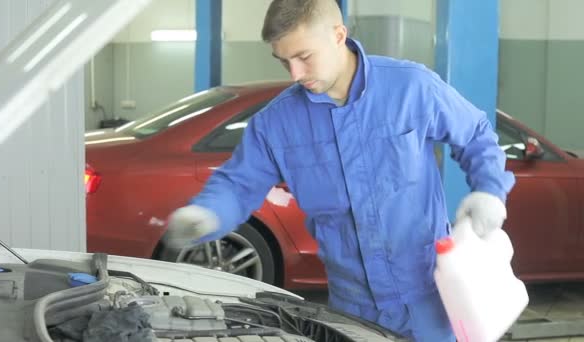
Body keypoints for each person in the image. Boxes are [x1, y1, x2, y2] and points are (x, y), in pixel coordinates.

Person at [164, 0, 515, 340]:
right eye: (284, 61)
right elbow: (239, 184)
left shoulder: (411, 88)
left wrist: (489, 191)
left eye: (304, 57)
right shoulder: (277, 124)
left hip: (430, 300)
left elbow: (476, 135)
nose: (296, 74)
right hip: (353, 309)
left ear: (338, 35)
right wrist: (207, 213)